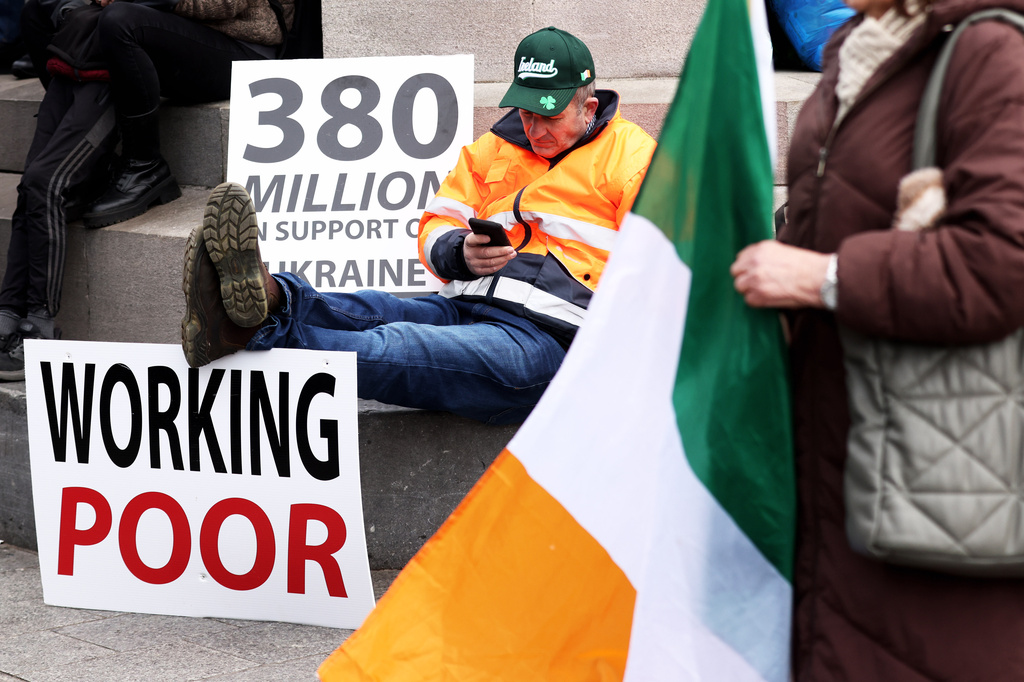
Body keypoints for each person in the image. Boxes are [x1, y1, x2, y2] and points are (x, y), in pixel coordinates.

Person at [730, 0, 1024, 679]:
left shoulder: (991, 51)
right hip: (838, 448)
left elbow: (1004, 263)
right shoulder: (860, 47)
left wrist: (825, 279)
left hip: (943, 483)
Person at [182, 26, 657, 425]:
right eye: (526, 113)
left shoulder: (634, 158)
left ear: (588, 110)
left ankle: (248, 332)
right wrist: (459, 253)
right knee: (373, 307)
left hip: (549, 341)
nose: (533, 130)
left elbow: (663, 272)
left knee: (401, 346)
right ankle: (272, 297)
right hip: (465, 303)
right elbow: (434, 225)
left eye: (547, 116)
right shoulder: (493, 147)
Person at [78, 0, 293, 228]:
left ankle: (144, 165)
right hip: (187, 33)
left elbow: (226, 4)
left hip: (246, 48)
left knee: (119, 20)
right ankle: (72, 167)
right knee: (49, 12)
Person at [0, 0, 118, 381]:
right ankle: (7, 312)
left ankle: (40, 324)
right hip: (71, 62)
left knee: (44, 183)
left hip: (111, 72)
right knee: (30, 185)